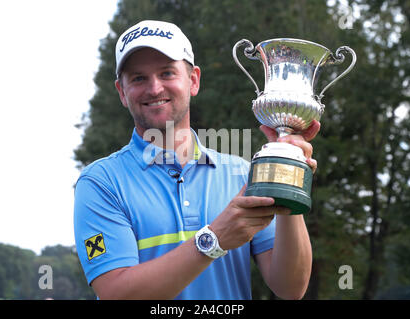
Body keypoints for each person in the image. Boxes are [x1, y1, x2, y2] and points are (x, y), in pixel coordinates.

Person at [74, 20, 320, 300]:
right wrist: (214, 239)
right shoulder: (100, 182)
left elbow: (291, 288)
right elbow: (116, 293)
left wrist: (290, 176)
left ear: (193, 81)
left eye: (167, 73)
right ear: (122, 92)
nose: (154, 89)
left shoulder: (242, 174)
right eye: (139, 78)